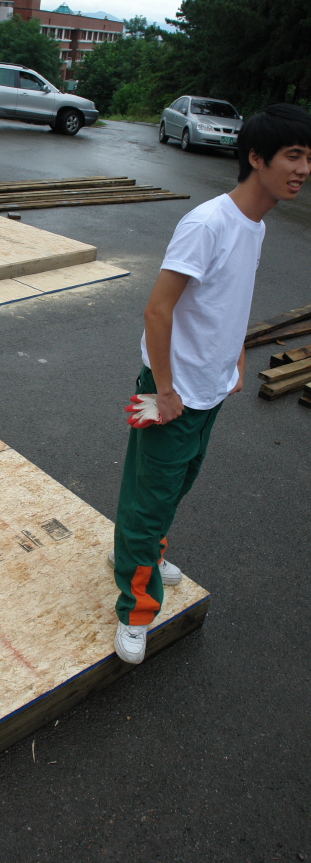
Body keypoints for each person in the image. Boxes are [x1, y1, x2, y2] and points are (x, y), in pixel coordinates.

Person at [111, 103, 311, 664]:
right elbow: (157, 310)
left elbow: (230, 298)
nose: (303, 169)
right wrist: (166, 391)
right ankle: (135, 608)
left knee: (173, 485)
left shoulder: (256, 225)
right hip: (170, 389)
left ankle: (140, 553)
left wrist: (236, 358)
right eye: (294, 156)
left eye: (309, 158)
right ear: (256, 157)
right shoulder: (208, 223)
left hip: (208, 389)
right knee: (151, 496)